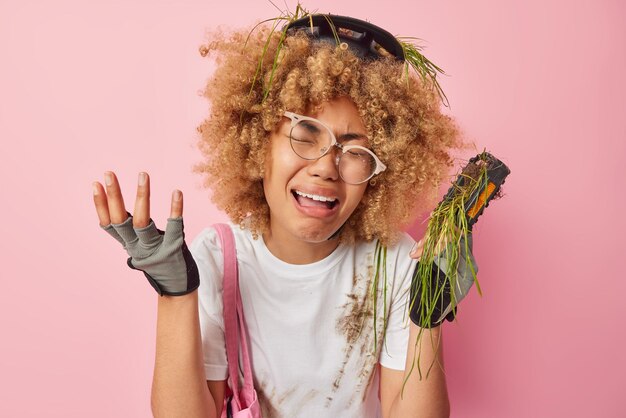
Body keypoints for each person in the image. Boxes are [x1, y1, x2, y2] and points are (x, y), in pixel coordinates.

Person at [93, 12, 474, 418]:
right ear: (258, 140)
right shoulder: (218, 259)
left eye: (355, 152)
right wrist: (175, 296)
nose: (327, 167)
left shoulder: (395, 260)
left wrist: (428, 316)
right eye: (306, 134)